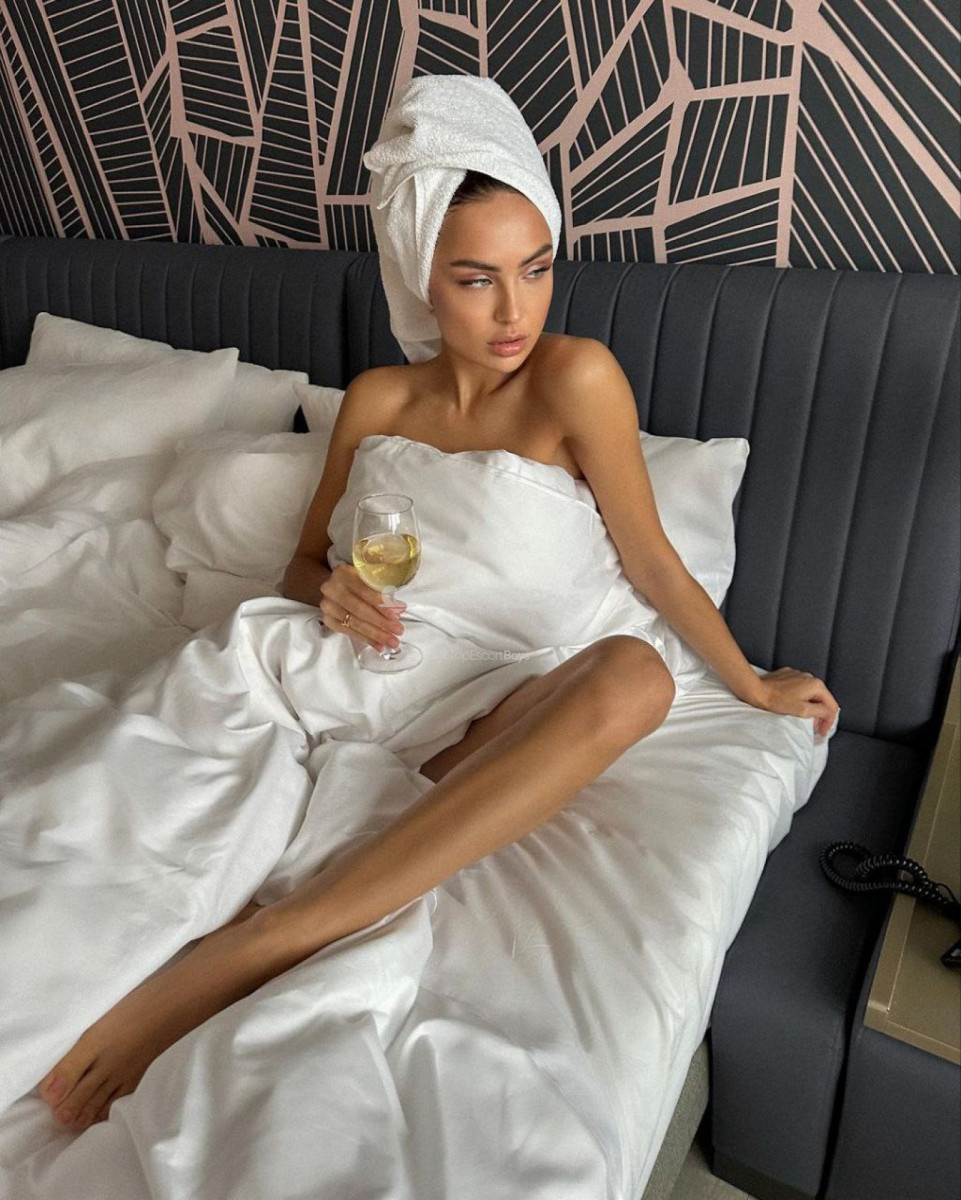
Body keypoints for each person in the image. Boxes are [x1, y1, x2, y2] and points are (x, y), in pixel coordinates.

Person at [35, 85, 838, 1135]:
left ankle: (264, 941)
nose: (514, 312)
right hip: (332, 675)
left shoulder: (574, 379)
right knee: (85, 840)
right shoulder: (377, 400)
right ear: (421, 275)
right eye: (476, 279)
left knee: (635, 676)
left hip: (487, 703)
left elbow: (651, 561)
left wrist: (752, 685)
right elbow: (302, 566)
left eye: (535, 268)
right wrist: (330, 590)